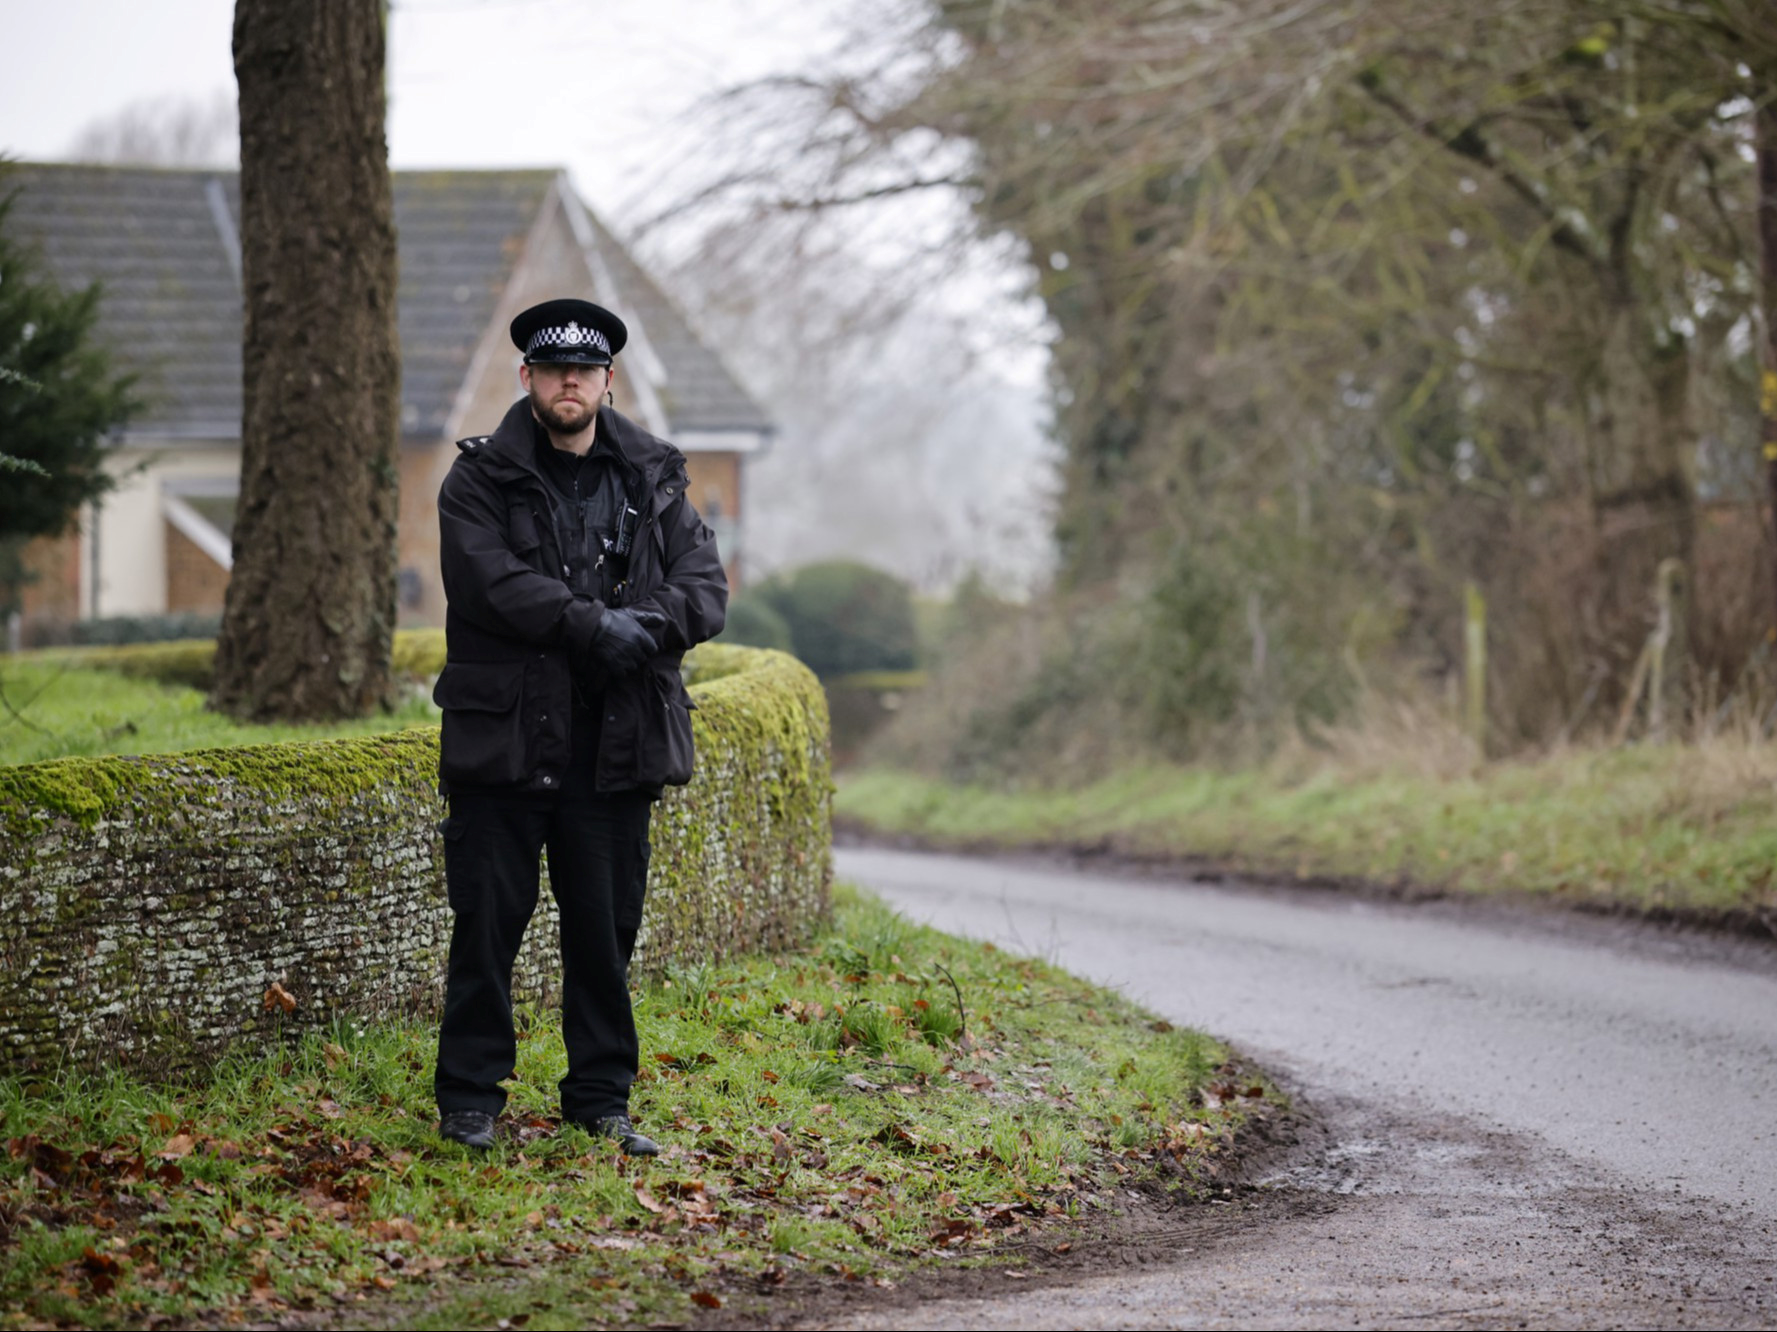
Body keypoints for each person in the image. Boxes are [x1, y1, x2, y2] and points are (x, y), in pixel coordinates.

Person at [431, 297, 727, 1154]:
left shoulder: (654, 478)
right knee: (487, 929)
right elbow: (488, 584)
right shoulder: (477, 480)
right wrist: (592, 625)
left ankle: (601, 1101)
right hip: (506, 743)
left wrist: (645, 626)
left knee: (604, 935)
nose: (571, 382)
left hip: (615, 746)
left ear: (606, 381)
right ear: (527, 377)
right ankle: (470, 1099)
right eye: (555, 369)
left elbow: (704, 588)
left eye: (585, 370)